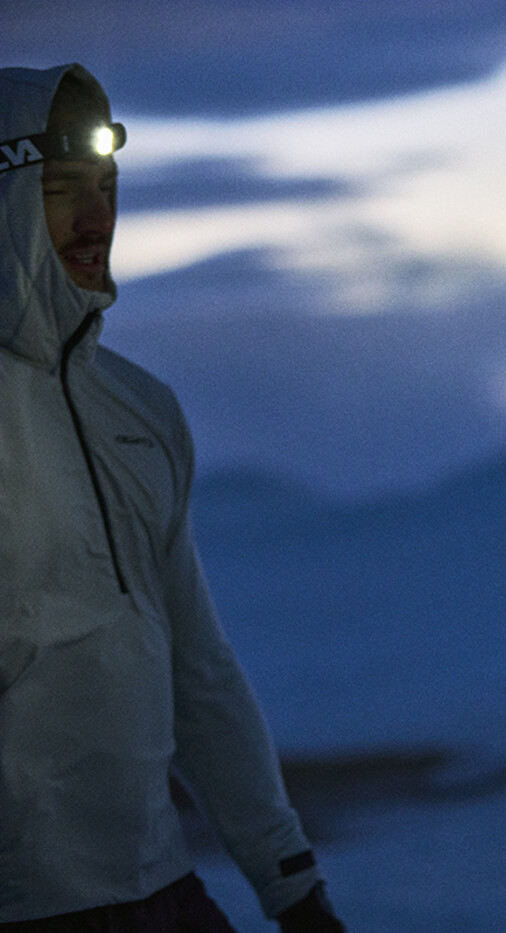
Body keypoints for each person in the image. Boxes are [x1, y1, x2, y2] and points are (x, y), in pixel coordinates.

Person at [0, 64, 344, 932]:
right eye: (62, 190)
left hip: (159, 884)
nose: (97, 219)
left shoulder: (139, 408)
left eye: (108, 187)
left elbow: (199, 668)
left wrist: (291, 882)